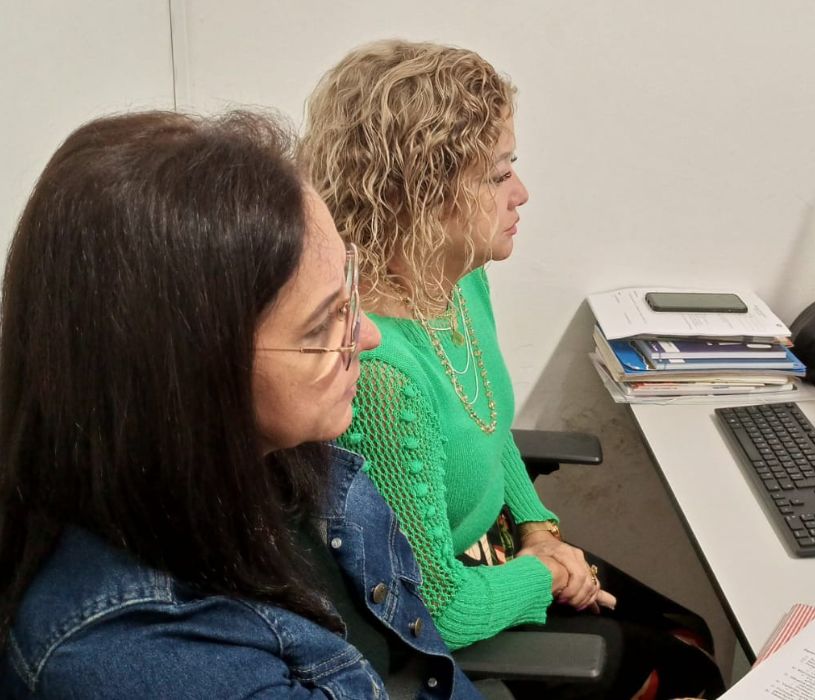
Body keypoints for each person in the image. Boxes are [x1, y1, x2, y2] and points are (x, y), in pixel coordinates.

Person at [0, 111, 481, 698]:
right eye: (320, 326)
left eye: (349, 293)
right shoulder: (138, 655)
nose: (367, 336)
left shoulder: (294, 464)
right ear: (189, 375)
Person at [300, 39, 725, 699]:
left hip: (507, 550)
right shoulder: (383, 377)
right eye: (498, 175)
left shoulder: (458, 278)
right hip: (458, 608)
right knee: (688, 672)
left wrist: (539, 528)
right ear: (424, 191)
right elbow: (434, 606)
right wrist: (547, 575)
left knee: (691, 632)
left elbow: (490, 429)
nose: (521, 194)